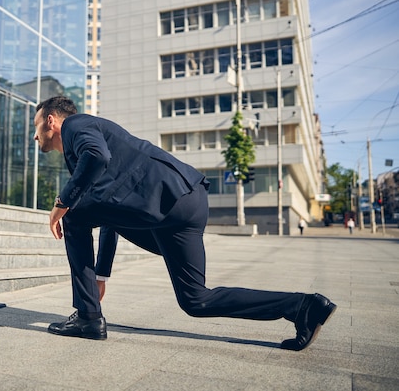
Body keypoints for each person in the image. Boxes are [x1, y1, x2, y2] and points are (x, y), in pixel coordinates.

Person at [33, 96, 336, 351]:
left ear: (51, 121)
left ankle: (87, 316)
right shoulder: (86, 145)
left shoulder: (77, 124)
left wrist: (62, 202)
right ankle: (301, 307)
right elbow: (110, 212)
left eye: (36, 128)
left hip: (162, 199)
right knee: (195, 299)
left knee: (72, 213)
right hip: (186, 202)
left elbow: (97, 156)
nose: (35, 137)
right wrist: (101, 275)